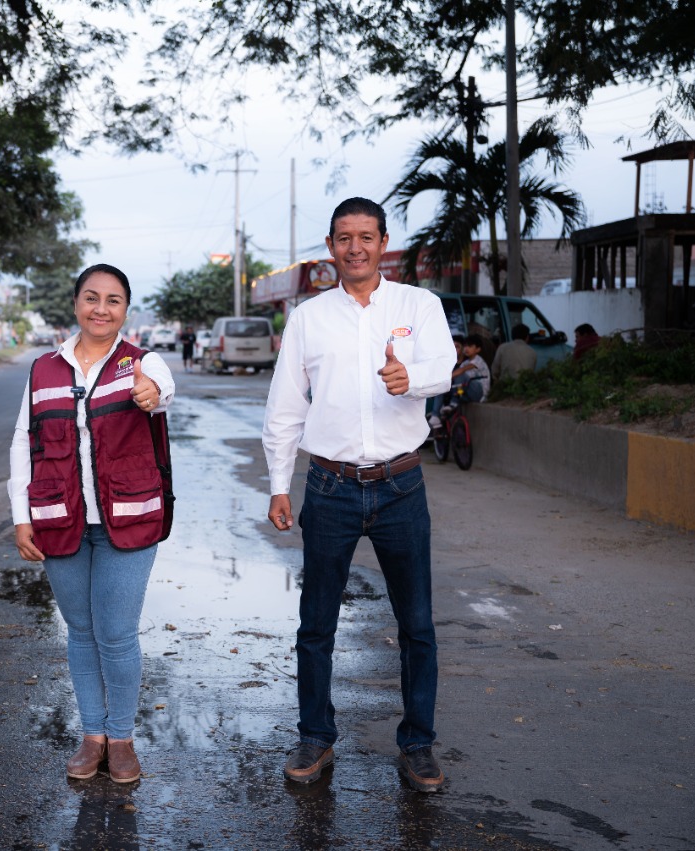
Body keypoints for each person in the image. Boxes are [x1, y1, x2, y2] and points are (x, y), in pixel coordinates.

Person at [262, 197, 455, 793]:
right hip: (329, 486)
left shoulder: (417, 305)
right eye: (344, 238)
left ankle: (417, 744)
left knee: (416, 623)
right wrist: (278, 484)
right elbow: (285, 406)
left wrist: (410, 378)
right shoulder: (308, 317)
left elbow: (443, 367)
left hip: (401, 486)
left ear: (383, 243)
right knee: (316, 624)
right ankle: (315, 736)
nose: (355, 248)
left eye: (366, 237)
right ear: (330, 246)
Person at [8, 263, 175, 784]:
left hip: (128, 520)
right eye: (92, 297)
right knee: (81, 633)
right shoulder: (43, 369)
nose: (101, 308)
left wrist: (151, 392)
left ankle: (121, 739)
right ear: (76, 303)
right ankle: (92, 736)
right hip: (60, 521)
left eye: (113, 300)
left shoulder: (143, 362)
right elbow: (23, 442)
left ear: (126, 310)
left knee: (117, 635)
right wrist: (20, 517)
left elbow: (162, 391)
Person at [452, 333, 491, 403]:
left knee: (461, 375)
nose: (466, 349)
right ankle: (458, 397)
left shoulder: (478, 360)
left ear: (478, 349)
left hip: (480, 393)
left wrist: (448, 376)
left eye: (470, 346)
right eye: (465, 346)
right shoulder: (465, 363)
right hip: (471, 392)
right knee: (455, 383)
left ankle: (454, 401)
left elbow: (462, 370)